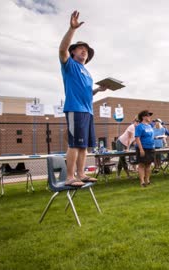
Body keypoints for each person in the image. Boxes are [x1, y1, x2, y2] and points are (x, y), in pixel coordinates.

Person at [59, 11, 108, 186]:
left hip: (88, 111)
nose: (84, 52)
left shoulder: (86, 72)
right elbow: (62, 49)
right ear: (73, 52)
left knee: (84, 146)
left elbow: (86, 92)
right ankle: (70, 177)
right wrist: (72, 29)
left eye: (86, 51)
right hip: (75, 109)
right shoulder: (69, 65)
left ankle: (81, 174)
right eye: (81, 49)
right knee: (74, 144)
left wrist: (97, 90)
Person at [135, 110, 155, 187]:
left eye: (150, 115)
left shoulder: (149, 126)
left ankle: (147, 180)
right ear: (143, 117)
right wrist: (141, 149)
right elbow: (137, 138)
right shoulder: (139, 126)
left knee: (148, 165)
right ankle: (142, 182)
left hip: (150, 148)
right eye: (148, 115)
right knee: (142, 165)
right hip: (143, 148)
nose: (149, 117)